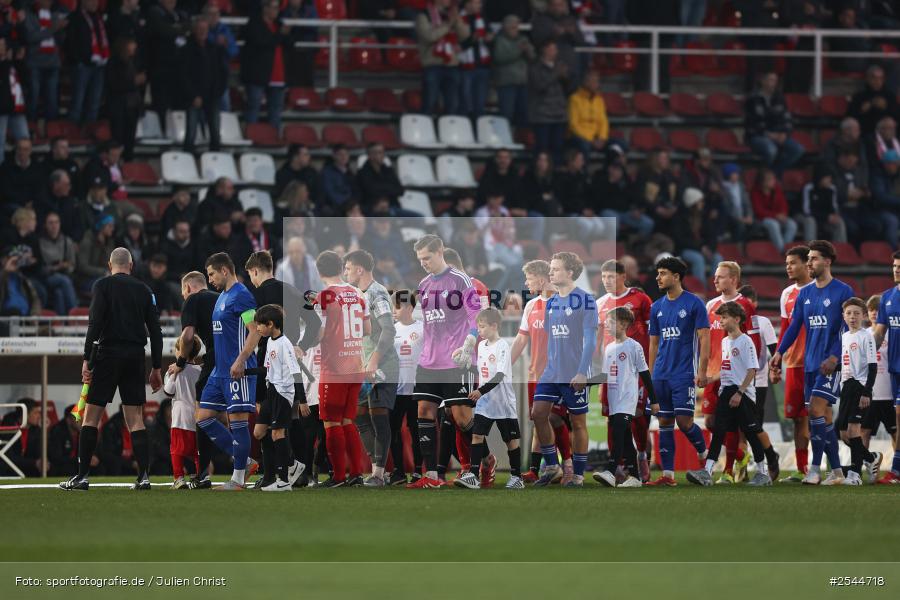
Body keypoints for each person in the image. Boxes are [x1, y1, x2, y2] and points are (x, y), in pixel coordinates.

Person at [59, 247, 163, 491]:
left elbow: (94, 323)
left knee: (91, 416)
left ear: (109, 265)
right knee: (136, 419)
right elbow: (156, 332)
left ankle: (82, 477)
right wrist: (156, 366)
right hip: (135, 356)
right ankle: (144, 476)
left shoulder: (102, 286)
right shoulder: (145, 290)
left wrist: (88, 359)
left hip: (108, 355)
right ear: (131, 265)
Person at [771, 240, 855, 485]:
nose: (809, 263)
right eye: (808, 259)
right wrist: (779, 353)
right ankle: (837, 472)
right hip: (809, 364)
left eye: (814, 258)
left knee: (815, 411)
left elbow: (847, 328)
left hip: (831, 364)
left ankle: (815, 469)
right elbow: (794, 326)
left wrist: (835, 356)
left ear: (827, 261)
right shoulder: (804, 294)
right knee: (823, 418)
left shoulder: (843, 291)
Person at [407, 235, 481, 488]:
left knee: (461, 418)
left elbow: (475, 315)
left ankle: (487, 459)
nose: (424, 263)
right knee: (424, 412)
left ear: (440, 252)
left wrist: (469, 342)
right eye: (420, 259)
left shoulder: (460, 280)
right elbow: (427, 322)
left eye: (427, 257)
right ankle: (432, 477)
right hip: (429, 361)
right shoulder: (424, 284)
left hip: (456, 360)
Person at [244, 250, 320, 488]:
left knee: (266, 419)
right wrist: (302, 347)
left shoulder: (253, 295)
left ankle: (271, 475)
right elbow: (315, 323)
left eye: (251, 275)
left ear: (255, 271)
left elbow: (252, 330)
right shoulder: (294, 291)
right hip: (290, 361)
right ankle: (299, 473)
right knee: (291, 418)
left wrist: (242, 358)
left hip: (268, 362)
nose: (252, 280)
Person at [686, 301, 775, 487]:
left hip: (742, 394)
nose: (721, 321)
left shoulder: (746, 341)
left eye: (724, 317)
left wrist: (740, 392)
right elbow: (726, 368)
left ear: (737, 318)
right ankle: (707, 471)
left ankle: (763, 473)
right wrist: (709, 380)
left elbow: (752, 370)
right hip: (726, 391)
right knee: (719, 432)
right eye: (720, 318)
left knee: (751, 433)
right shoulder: (725, 341)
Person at [532, 252, 597, 487]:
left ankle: (578, 475)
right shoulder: (551, 302)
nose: (550, 272)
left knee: (578, 423)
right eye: (550, 268)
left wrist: (582, 371)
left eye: (555, 269)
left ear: (570, 273)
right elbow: (551, 337)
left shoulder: (586, 300)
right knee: (538, 413)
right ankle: (551, 465)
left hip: (575, 371)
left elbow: (590, 341)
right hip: (552, 370)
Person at [197, 253, 261, 491]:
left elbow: (255, 331)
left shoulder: (242, 296)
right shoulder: (222, 296)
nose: (210, 279)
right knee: (203, 418)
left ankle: (238, 478)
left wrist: (241, 360)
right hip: (219, 371)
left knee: (238, 422)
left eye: (212, 274)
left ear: (225, 270)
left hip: (237, 370)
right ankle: (245, 461)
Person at [646, 256, 710, 487]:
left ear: (676, 276)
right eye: (658, 273)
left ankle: (705, 455)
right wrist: (650, 375)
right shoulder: (656, 307)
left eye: (663, 273)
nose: (658, 277)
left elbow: (704, 338)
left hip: (683, 374)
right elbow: (653, 344)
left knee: (684, 422)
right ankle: (668, 476)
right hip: (661, 374)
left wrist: (702, 370)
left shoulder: (694, 304)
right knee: (664, 421)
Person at [342, 250, 398, 487]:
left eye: (347, 268)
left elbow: (389, 329)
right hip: (361, 366)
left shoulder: (376, 293)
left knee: (379, 418)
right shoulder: (356, 295)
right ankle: (380, 469)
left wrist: (374, 360)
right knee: (360, 417)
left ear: (359, 269)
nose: (345, 273)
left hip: (382, 366)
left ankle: (378, 473)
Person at [314, 250, 370, 487]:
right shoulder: (357, 292)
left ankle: (338, 476)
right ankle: (356, 473)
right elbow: (367, 330)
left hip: (334, 367)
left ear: (319, 272)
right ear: (340, 268)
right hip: (356, 364)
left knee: (331, 422)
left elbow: (320, 334)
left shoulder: (324, 296)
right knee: (348, 420)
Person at [595, 259, 654, 482]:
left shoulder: (640, 298)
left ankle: (640, 456)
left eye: (611, 276)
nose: (607, 281)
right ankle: (622, 467)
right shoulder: (601, 303)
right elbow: (598, 340)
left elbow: (652, 334)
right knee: (613, 420)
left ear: (622, 276)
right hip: (611, 371)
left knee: (636, 418)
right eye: (604, 277)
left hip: (634, 371)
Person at [453, 308, 524, 489]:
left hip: (503, 402)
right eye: (478, 326)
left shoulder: (502, 347)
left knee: (510, 440)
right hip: (486, 401)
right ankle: (474, 476)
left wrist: (480, 391)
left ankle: (517, 477)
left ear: (494, 326)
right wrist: (467, 364)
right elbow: (482, 370)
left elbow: (499, 375)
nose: (480, 330)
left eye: (482, 327)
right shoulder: (482, 346)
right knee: (477, 435)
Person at [702, 262, 760, 484]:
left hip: (735, 376)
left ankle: (727, 470)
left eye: (720, 277)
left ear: (734, 279)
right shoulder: (711, 306)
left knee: (732, 424)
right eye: (715, 277)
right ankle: (740, 456)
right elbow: (706, 341)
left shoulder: (745, 305)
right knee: (710, 422)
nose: (715, 281)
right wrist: (702, 369)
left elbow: (754, 342)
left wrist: (751, 375)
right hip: (714, 374)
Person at [168, 270, 218, 488]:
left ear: (187, 288)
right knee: (233, 417)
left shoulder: (192, 300)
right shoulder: (223, 298)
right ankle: (244, 464)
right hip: (238, 359)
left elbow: (187, 336)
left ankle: (204, 474)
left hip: (215, 360)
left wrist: (179, 362)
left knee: (204, 415)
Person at [248, 304, 306, 491]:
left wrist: (302, 400)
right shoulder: (270, 342)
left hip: (283, 393)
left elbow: (296, 373)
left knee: (277, 434)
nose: (257, 328)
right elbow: (267, 369)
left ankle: (283, 481)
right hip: (271, 391)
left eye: (260, 325)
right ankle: (292, 464)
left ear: (271, 324)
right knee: (259, 432)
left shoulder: (285, 344)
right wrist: (245, 371)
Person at [776, 245, 813, 481]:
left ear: (805, 263)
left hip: (816, 363)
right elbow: (785, 329)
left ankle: (822, 466)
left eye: (792, 262)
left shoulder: (819, 290)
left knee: (819, 416)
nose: (788, 267)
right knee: (798, 418)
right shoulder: (787, 293)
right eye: (787, 263)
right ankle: (802, 470)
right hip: (793, 363)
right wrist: (778, 359)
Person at [838, 297, 878, 486]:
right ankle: (870, 458)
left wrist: (867, 392)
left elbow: (872, 367)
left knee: (854, 429)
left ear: (863, 316)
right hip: (846, 386)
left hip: (860, 386)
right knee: (843, 432)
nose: (852, 317)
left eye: (856, 313)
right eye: (848, 313)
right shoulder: (845, 336)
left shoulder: (866, 336)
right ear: (843, 316)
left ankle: (854, 473)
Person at [871, 251, 900, 484]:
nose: (896, 270)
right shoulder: (888, 298)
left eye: (899, 266)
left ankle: (896, 471)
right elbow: (879, 333)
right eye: (894, 266)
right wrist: (866, 354)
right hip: (895, 368)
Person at [390, 289, 424, 485]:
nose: (394, 310)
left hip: (416, 389)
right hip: (395, 390)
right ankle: (399, 471)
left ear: (410, 308)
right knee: (393, 430)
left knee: (416, 430)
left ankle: (419, 470)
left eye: (398, 305)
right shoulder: (391, 330)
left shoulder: (422, 329)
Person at [181, 16, 228, 154]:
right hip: (194, 97)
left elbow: (222, 73)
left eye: (205, 29)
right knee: (191, 131)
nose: (203, 32)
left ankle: (215, 158)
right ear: (194, 30)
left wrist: (218, 92)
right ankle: (187, 159)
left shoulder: (215, 49)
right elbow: (183, 76)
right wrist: (193, 95)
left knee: (215, 131)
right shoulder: (186, 50)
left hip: (213, 96)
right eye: (200, 29)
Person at [744, 71, 805, 175]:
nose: (773, 83)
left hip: (778, 135)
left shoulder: (779, 98)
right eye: (770, 80)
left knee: (798, 150)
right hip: (758, 136)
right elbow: (751, 123)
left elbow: (787, 119)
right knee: (771, 150)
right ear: (762, 81)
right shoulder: (752, 99)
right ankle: (764, 176)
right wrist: (770, 135)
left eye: (775, 80)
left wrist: (785, 133)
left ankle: (773, 174)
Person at [163, 335, 202, 489]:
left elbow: (168, 391)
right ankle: (199, 476)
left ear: (180, 351)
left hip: (180, 416)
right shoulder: (200, 370)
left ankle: (179, 478)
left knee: (176, 449)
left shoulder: (175, 370)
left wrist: (173, 374)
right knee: (196, 450)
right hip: (198, 415)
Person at [241, 0, 288, 130]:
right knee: (253, 108)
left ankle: (273, 139)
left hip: (278, 75)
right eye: (273, 8)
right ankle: (251, 136)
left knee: (276, 112)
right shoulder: (254, 24)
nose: (276, 11)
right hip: (258, 75)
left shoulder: (279, 24)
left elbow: (290, 42)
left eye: (277, 8)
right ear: (265, 8)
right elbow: (263, 43)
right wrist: (281, 34)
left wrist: (285, 34)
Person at [416, 0, 469, 115]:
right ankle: (426, 129)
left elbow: (465, 35)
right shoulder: (424, 15)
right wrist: (447, 25)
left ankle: (447, 130)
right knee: (430, 102)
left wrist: (457, 20)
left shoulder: (450, 15)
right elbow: (429, 36)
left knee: (452, 104)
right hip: (432, 64)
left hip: (451, 64)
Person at [863, 294, 892, 482]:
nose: (874, 313)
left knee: (895, 432)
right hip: (870, 393)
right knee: (863, 431)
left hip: (889, 391)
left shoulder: (892, 333)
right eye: (871, 310)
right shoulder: (863, 334)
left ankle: (895, 470)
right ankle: (865, 468)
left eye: (878, 310)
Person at [64, 0, 108, 125]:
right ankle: (72, 132)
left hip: (99, 65)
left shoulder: (99, 18)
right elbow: (70, 43)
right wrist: (78, 60)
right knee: (77, 102)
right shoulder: (75, 17)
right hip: (81, 66)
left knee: (94, 102)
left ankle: (90, 131)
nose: (95, 4)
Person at [22, 0, 65, 122]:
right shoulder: (29, 14)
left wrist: (61, 30)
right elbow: (31, 37)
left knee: (52, 100)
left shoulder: (55, 15)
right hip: (35, 63)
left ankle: (51, 130)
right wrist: (52, 28)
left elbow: (61, 40)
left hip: (53, 63)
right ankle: (31, 127)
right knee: (33, 98)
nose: (49, 2)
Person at [146, 0, 189, 121]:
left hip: (177, 66)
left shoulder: (180, 13)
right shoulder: (154, 11)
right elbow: (163, 30)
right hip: (160, 65)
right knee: (161, 100)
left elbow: (188, 26)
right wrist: (178, 29)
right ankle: (161, 128)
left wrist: (175, 29)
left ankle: (175, 129)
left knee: (177, 99)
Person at [528, 41, 569, 162]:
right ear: (544, 50)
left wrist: (565, 77)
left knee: (558, 149)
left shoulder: (560, 65)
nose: (555, 51)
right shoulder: (535, 68)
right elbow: (539, 86)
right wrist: (556, 74)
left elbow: (569, 89)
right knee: (542, 150)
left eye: (555, 49)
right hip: (542, 116)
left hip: (559, 115)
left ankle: (555, 176)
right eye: (552, 48)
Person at [105, 36, 144, 161]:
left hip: (132, 107)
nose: (134, 47)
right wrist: (133, 82)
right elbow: (114, 85)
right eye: (132, 44)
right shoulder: (113, 63)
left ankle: (128, 161)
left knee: (130, 139)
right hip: (118, 107)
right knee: (118, 138)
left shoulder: (133, 61)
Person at [492, 14, 532, 127]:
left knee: (523, 112)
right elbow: (500, 57)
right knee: (506, 113)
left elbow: (533, 57)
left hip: (522, 82)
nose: (515, 29)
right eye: (513, 27)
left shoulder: (523, 39)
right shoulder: (500, 40)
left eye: (517, 26)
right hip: (506, 83)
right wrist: (518, 50)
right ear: (506, 27)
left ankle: (521, 138)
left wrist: (528, 50)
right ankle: (504, 139)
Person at [531, 0, 584, 82]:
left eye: (560, 5)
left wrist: (573, 33)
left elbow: (581, 41)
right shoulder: (540, 20)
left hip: (569, 65)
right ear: (548, 6)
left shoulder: (570, 19)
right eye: (554, 5)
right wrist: (553, 33)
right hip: (548, 68)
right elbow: (536, 41)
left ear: (564, 6)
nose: (557, 8)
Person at [38, 211, 77, 316]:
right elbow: (39, 268)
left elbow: (72, 264)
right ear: (45, 225)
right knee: (64, 281)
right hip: (47, 277)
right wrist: (55, 268)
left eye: (56, 222)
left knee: (59, 293)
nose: (54, 225)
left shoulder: (66, 241)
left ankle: (63, 326)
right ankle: (76, 317)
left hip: (64, 274)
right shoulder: (40, 242)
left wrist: (66, 266)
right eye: (50, 223)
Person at [458, 0, 491, 119]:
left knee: (480, 105)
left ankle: (480, 132)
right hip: (465, 67)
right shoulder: (458, 20)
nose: (480, 5)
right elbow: (457, 45)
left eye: (480, 3)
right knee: (465, 103)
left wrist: (489, 39)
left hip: (482, 65)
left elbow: (489, 35)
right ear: (467, 4)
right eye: (477, 3)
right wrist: (473, 39)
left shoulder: (483, 18)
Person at [751, 168, 798, 252]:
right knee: (773, 224)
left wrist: (783, 214)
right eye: (770, 179)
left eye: (773, 179)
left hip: (777, 217)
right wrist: (775, 216)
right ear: (762, 182)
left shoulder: (777, 189)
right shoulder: (755, 192)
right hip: (762, 219)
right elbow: (758, 211)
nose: (773, 181)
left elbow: (783, 205)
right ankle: (781, 250)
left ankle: (786, 248)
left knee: (792, 224)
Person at [0, 36, 29, 167]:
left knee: (24, 139)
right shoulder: (4, 64)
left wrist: (19, 60)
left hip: (17, 108)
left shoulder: (12, 64)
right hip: (2, 110)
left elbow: (24, 78)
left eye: (2, 45)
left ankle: (24, 167)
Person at [799, 165, 848, 243]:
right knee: (810, 221)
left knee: (839, 222)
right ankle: (811, 250)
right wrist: (826, 217)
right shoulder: (809, 188)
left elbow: (834, 208)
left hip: (824, 219)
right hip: (804, 216)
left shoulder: (831, 189)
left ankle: (839, 250)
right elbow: (807, 211)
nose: (830, 180)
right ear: (820, 177)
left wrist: (834, 216)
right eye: (827, 177)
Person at [848, 64, 899, 136]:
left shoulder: (889, 96)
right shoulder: (859, 96)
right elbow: (849, 116)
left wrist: (885, 107)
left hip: (886, 132)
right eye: (874, 78)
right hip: (865, 132)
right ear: (868, 79)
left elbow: (896, 115)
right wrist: (861, 110)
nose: (877, 81)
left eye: (880, 78)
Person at [567, 70, 608, 158]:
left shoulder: (599, 100)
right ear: (585, 82)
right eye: (593, 81)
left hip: (597, 139)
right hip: (579, 138)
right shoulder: (574, 99)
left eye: (597, 81)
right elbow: (573, 125)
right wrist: (591, 140)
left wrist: (602, 138)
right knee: (585, 146)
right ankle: (584, 171)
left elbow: (603, 122)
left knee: (620, 145)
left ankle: (610, 170)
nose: (596, 84)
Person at [357, 143, 405, 214]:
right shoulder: (362, 173)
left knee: (418, 217)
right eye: (378, 152)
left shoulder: (389, 170)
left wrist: (381, 189)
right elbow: (371, 191)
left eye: (382, 152)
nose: (382, 155)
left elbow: (400, 190)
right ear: (370, 155)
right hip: (374, 209)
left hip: (393, 206)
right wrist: (388, 188)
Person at [76, 214, 116, 292]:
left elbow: (109, 263)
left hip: (104, 277)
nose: (112, 228)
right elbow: (83, 267)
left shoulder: (109, 242)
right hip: (86, 280)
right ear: (102, 226)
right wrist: (103, 272)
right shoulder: (87, 242)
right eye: (109, 226)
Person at [0, 247, 41, 319]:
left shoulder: (23, 279)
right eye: (10, 258)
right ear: (2, 260)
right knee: (15, 312)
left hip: (24, 318)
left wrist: (35, 314)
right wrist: (6, 271)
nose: (14, 261)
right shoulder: (2, 276)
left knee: (48, 324)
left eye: (17, 259)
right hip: (5, 319)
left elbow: (35, 299)